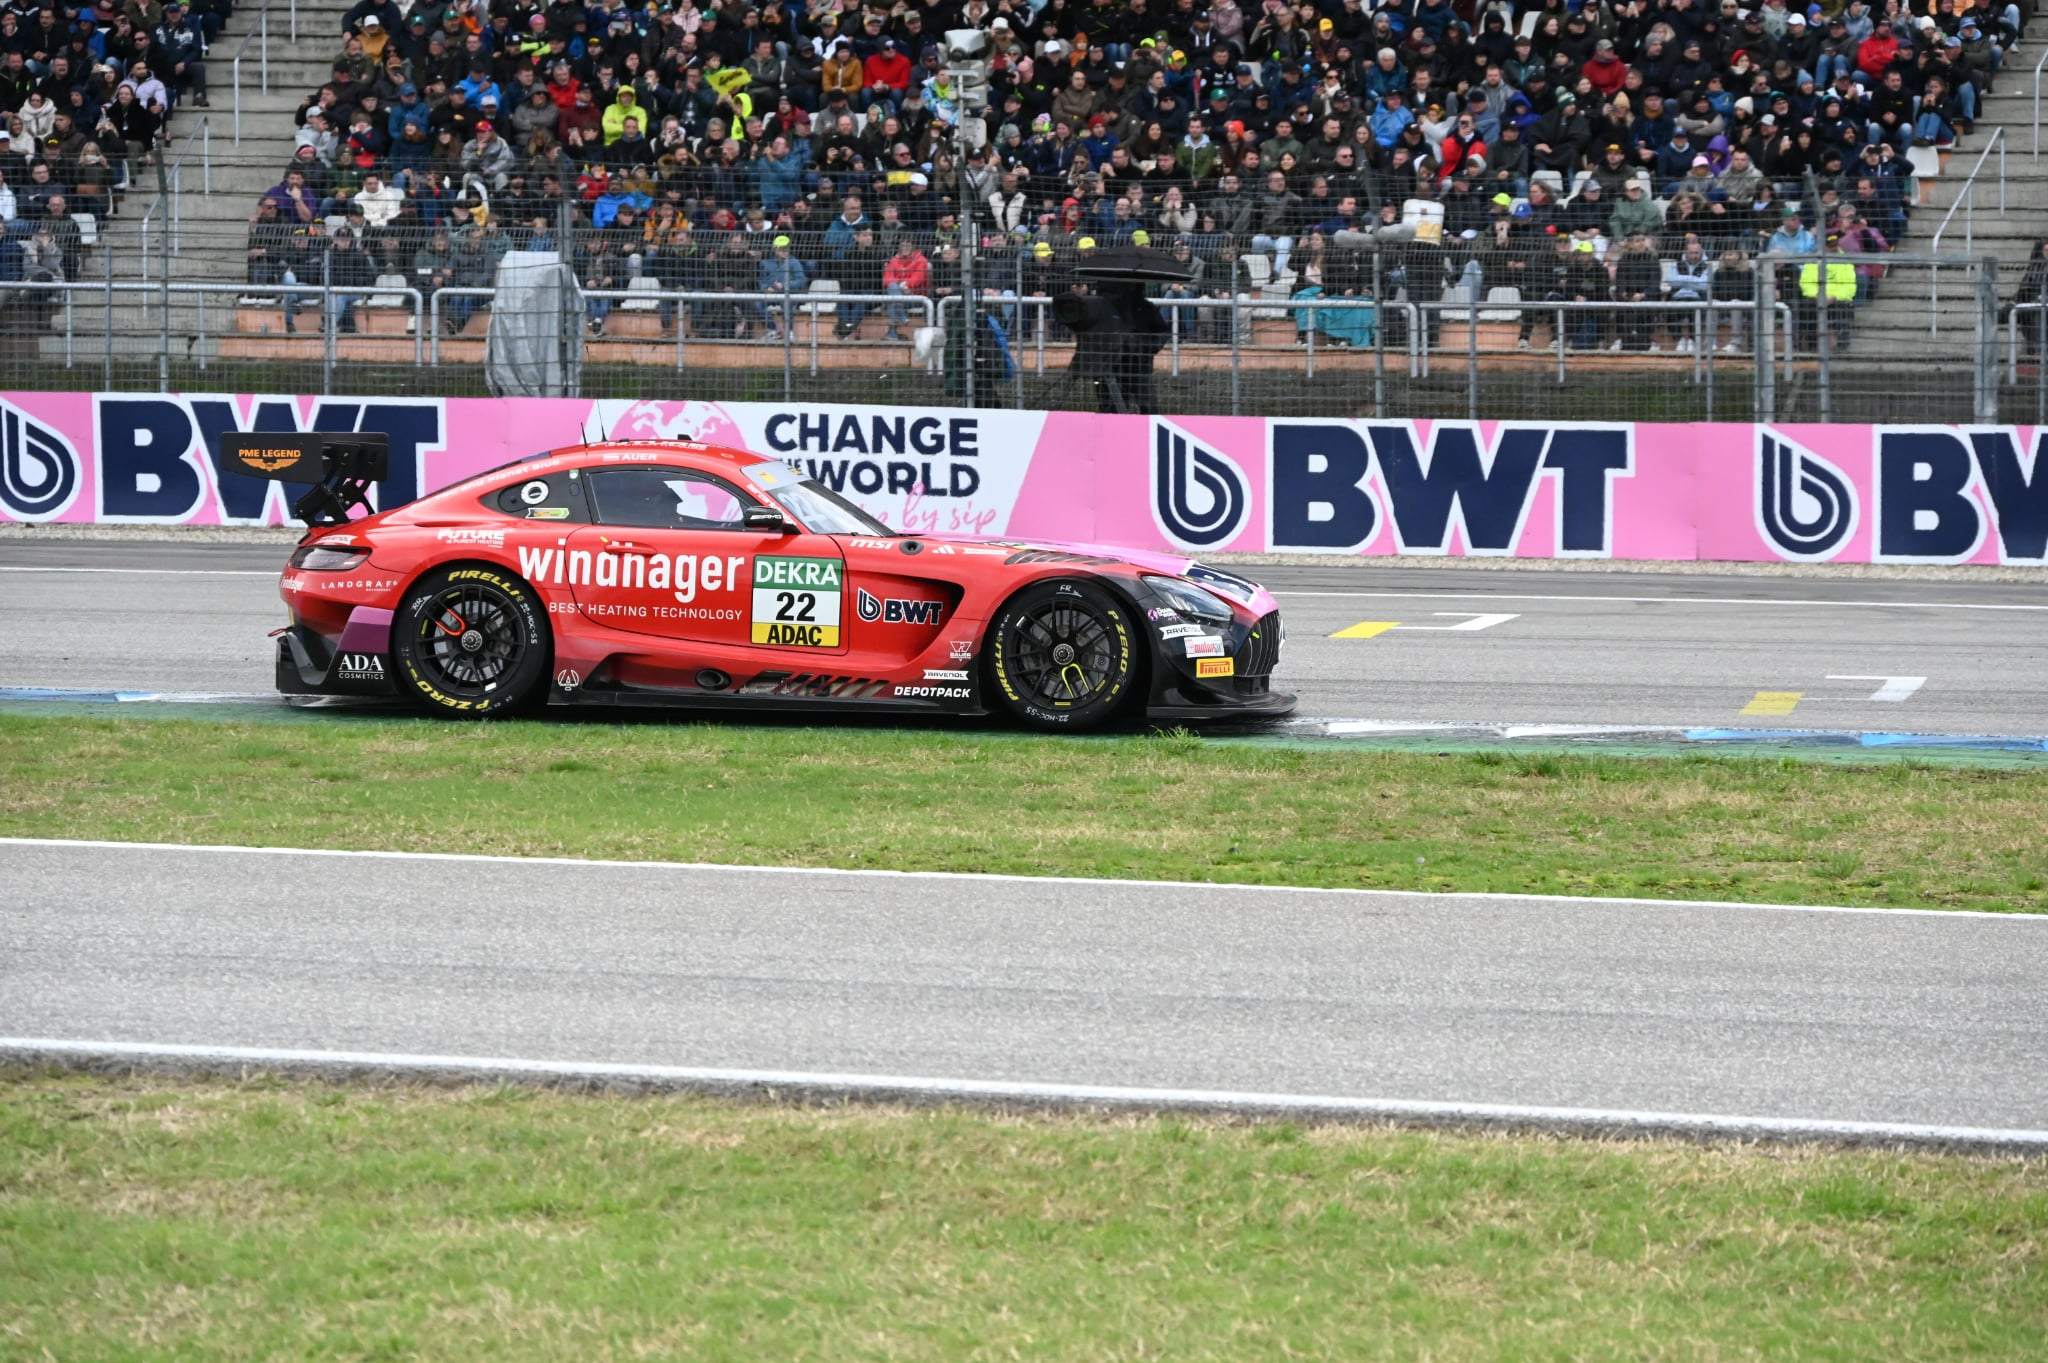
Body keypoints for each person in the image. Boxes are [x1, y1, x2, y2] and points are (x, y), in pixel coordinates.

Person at [2011, 239, 2048, 360]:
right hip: (2034, 306)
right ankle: (2039, 351)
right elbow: (2024, 289)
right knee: (2035, 310)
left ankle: (2040, 351)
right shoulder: (2034, 269)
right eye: (2046, 250)